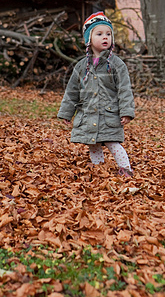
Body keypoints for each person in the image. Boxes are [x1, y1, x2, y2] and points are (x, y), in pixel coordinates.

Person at [57, 12, 135, 177]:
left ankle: (125, 168)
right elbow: (72, 91)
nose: (105, 37)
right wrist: (66, 112)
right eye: (99, 34)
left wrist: (126, 112)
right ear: (89, 39)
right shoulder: (81, 66)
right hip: (88, 113)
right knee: (93, 144)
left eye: (108, 34)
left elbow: (124, 89)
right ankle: (99, 169)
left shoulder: (116, 64)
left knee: (113, 142)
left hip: (109, 114)